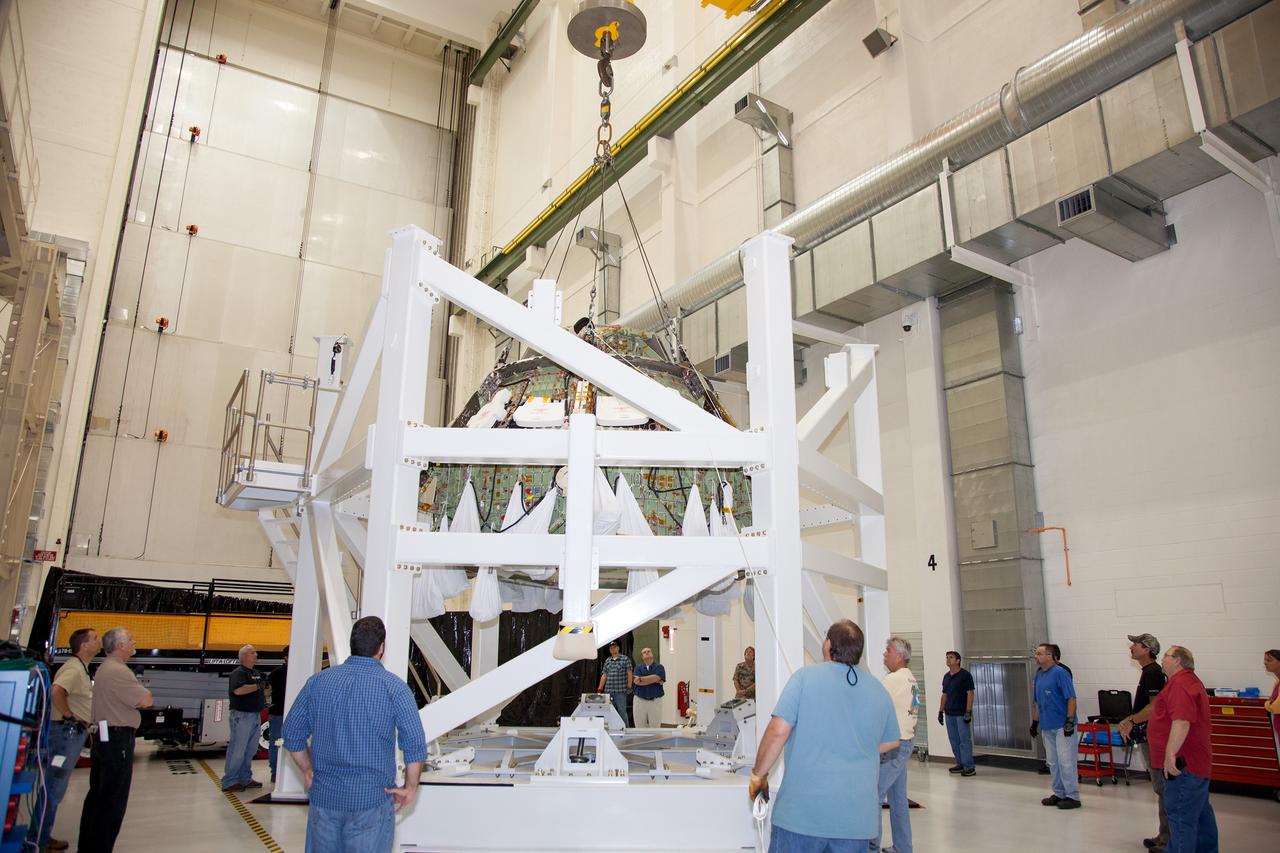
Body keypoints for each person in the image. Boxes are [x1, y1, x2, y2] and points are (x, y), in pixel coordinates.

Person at [749, 620, 899, 851]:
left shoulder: (804, 679)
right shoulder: (878, 690)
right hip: (856, 822)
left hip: (802, 816)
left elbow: (778, 732)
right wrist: (853, 745)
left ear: (828, 644)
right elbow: (891, 742)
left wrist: (758, 775)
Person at [284, 616, 427, 853]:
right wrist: (411, 787)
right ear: (381, 648)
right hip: (371, 803)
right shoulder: (394, 688)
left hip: (325, 799)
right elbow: (414, 745)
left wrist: (308, 770)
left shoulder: (318, 682)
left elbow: (292, 734)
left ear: (353, 644)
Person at [78, 627, 153, 853]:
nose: (134, 643)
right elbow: (146, 700)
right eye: (130, 640)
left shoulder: (105, 668)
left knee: (98, 797)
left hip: (106, 738)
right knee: (111, 802)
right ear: (120, 646)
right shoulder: (118, 671)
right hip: (117, 740)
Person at [31, 627, 101, 851]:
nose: (99, 641)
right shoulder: (73, 668)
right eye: (95, 638)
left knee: (54, 789)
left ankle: (41, 834)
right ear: (84, 646)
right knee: (53, 788)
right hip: (65, 735)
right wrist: (71, 716)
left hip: (69, 734)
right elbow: (56, 691)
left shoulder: (80, 668)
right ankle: (37, 841)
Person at [1146, 645, 1217, 853]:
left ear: (1177, 660)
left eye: (1166, 656)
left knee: (1180, 817)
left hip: (1183, 766)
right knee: (1201, 815)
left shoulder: (1180, 684)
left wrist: (1170, 755)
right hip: (1195, 763)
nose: (1162, 659)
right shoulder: (1188, 681)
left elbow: (1182, 720)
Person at [1118, 633, 1170, 852]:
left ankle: (1168, 838)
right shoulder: (1148, 672)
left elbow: (1155, 706)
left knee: (1162, 787)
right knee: (1160, 786)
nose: (1131, 647)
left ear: (1147, 649)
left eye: (1136, 644)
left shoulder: (1154, 674)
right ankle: (1164, 834)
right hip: (1150, 735)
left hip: (1155, 737)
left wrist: (1130, 720)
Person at [871, 636, 918, 853]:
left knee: (874, 797)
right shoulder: (910, 678)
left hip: (893, 748)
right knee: (898, 801)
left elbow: (872, 704)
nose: (884, 654)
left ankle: (870, 847)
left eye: (887, 650)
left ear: (899, 656)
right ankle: (903, 847)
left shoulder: (893, 680)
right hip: (905, 742)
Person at [1032, 642, 1081, 810]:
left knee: (1066, 761)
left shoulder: (1061, 673)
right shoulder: (1039, 675)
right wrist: (1035, 722)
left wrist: (1069, 720)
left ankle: (1072, 795)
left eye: (1039, 653)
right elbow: (1037, 701)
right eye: (1036, 653)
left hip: (1062, 725)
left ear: (1050, 656)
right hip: (1047, 725)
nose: (1036, 656)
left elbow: (1071, 698)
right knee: (1052, 762)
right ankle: (1059, 793)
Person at [222, 644, 266, 792]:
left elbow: (262, 689)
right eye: (253, 652)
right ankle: (230, 780)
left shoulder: (256, 672)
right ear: (244, 656)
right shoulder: (238, 673)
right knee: (238, 749)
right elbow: (238, 690)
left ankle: (244, 778)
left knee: (250, 749)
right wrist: (258, 686)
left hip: (255, 714)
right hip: (242, 715)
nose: (256, 654)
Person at [938, 650, 975, 776]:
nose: (948, 659)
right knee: (954, 739)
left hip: (961, 713)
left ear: (958, 661)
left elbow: (970, 693)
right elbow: (944, 695)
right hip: (949, 713)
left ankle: (969, 766)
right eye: (947, 657)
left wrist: (968, 711)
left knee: (964, 740)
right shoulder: (946, 677)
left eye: (951, 657)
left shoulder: (965, 676)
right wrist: (940, 711)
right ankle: (960, 763)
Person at [597, 641, 633, 726]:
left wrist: (629, 686)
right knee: (609, 712)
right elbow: (604, 675)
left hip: (620, 691)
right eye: (611, 648)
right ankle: (611, 729)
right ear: (610, 650)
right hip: (608, 691)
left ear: (618, 648)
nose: (613, 649)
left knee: (622, 712)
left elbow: (629, 673)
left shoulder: (625, 659)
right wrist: (600, 688)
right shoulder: (608, 660)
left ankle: (626, 729)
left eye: (614, 647)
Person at [267, 645, 289, 783]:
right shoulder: (276, 674)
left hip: (291, 713)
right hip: (278, 714)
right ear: (286, 657)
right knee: (275, 743)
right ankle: (275, 771)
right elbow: (267, 691)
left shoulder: (299, 672)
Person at [631, 647, 665, 728]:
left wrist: (641, 679)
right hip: (640, 700)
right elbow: (637, 682)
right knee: (639, 726)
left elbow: (657, 678)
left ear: (652, 654)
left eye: (649, 651)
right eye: (644, 652)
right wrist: (653, 679)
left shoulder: (659, 667)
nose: (647, 653)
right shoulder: (638, 668)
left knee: (655, 726)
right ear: (642, 657)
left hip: (655, 701)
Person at [1263, 649, 1280, 744]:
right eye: (1265, 660)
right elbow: (1271, 702)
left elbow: (1276, 707)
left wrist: (1268, 704)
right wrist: (1270, 703)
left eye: (1269, 660)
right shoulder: (1277, 682)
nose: (1265, 663)